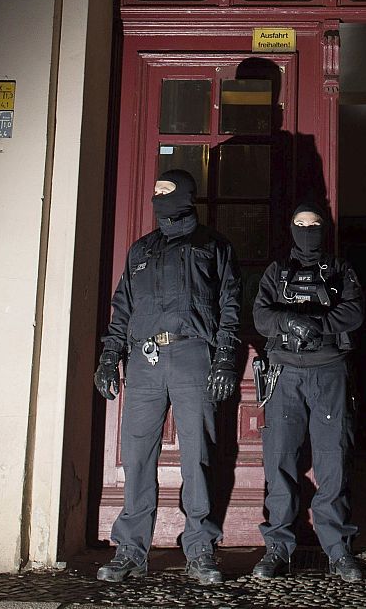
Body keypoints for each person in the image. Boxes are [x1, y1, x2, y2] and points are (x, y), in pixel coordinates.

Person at [93, 169, 241, 585]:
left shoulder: (213, 246)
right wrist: (109, 357)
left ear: (186, 195)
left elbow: (231, 302)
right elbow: (122, 308)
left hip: (194, 352)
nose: (158, 198)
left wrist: (226, 357)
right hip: (144, 360)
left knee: (198, 456)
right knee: (137, 456)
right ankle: (131, 550)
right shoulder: (140, 250)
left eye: (166, 191)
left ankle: (199, 550)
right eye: (154, 191)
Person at [250, 202, 365, 582]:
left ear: (323, 228)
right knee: (279, 462)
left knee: (333, 462)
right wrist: (288, 321)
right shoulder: (276, 271)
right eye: (299, 224)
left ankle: (338, 551)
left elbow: (354, 312)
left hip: (329, 373)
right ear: (290, 228)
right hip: (285, 374)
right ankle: (278, 549)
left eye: (313, 224)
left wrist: (316, 324)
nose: (306, 230)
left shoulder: (340, 269)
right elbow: (261, 316)